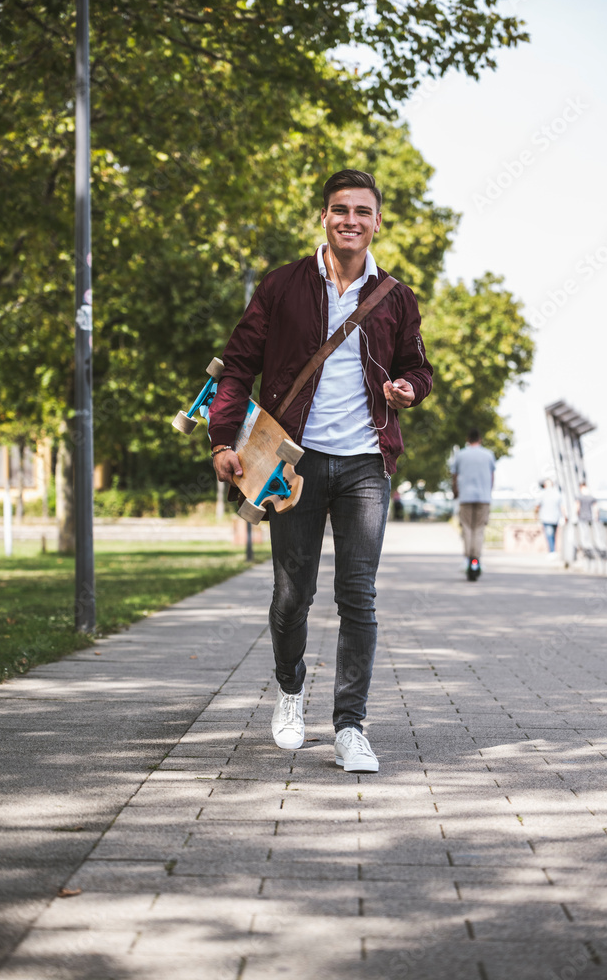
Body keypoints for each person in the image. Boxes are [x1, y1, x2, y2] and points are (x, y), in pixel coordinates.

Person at [208, 169, 433, 773]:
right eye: (340, 209)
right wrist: (221, 438)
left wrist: (408, 387)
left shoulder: (396, 295)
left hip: (365, 462)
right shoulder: (283, 286)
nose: (351, 220)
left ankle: (351, 726)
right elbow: (236, 366)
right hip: (292, 463)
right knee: (293, 593)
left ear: (377, 221)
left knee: (358, 595)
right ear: (325, 217)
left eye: (362, 211)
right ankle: (289, 690)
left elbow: (418, 364)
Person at [451, 428, 495, 580]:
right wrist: (488, 492)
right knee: (479, 529)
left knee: (467, 529)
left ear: (467, 439)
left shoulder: (461, 455)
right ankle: (477, 558)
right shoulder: (489, 455)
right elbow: (492, 477)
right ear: (480, 439)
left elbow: (454, 476)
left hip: (465, 497)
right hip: (484, 498)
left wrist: (455, 492)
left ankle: (467, 558)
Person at [535, 477, 566, 555]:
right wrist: (564, 516)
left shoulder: (542, 494)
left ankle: (552, 551)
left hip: (547, 517)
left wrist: (536, 515)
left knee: (549, 535)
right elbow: (562, 506)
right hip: (555, 517)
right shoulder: (557, 493)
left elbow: (537, 506)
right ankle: (553, 551)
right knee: (552, 534)